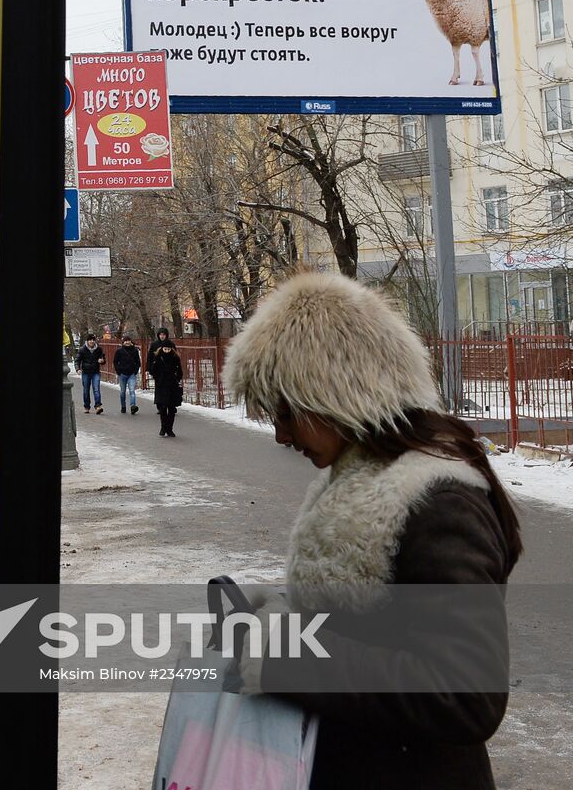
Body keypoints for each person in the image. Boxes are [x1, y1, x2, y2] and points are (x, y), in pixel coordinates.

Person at [223, 272, 522, 790]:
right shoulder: (361, 479)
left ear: (337, 390)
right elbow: (372, 629)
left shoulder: (438, 500)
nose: (280, 433)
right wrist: (279, 620)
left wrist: (284, 659)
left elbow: (467, 697)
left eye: (289, 410)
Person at [148, 338, 182, 437]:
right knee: (163, 408)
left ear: (171, 349)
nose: (167, 351)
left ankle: (170, 429)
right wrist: (158, 378)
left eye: (168, 349)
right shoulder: (158, 357)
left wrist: (177, 378)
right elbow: (153, 370)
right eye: (165, 349)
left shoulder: (175, 358)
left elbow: (180, 371)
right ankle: (163, 428)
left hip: (172, 386)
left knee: (172, 408)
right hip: (161, 385)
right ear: (162, 348)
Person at [75, 336, 106, 414]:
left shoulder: (99, 349)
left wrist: (102, 361)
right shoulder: (82, 349)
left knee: (96, 389)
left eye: (93, 340)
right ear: (87, 341)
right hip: (86, 372)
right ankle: (86, 406)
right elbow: (77, 360)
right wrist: (78, 369)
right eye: (90, 340)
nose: (92, 341)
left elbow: (103, 359)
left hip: (95, 372)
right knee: (86, 390)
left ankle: (98, 406)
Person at [113, 335, 141, 415]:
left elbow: (138, 362)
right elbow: (115, 362)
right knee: (122, 392)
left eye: (128, 340)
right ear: (123, 342)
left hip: (131, 374)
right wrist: (118, 371)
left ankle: (133, 406)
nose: (127, 342)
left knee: (132, 390)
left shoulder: (135, 351)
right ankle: (123, 406)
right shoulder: (119, 351)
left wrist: (135, 371)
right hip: (122, 374)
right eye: (126, 341)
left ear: (131, 342)